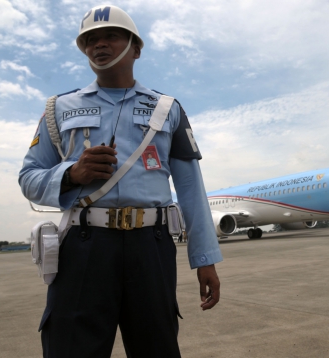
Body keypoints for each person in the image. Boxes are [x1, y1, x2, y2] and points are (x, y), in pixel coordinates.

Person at [19, 5, 222, 358]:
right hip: (83, 246)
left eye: (111, 36)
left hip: (151, 246)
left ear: (136, 48)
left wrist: (205, 258)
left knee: (156, 347)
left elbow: (190, 189)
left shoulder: (167, 109)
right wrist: (71, 174)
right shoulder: (58, 108)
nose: (100, 45)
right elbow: (29, 177)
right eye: (90, 40)